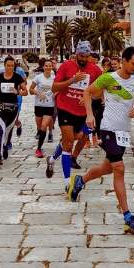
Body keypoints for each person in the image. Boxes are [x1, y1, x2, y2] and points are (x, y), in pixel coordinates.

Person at [66, 46, 134, 235]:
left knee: (108, 168)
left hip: (124, 132)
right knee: (119, 168)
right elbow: (87, 92)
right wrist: (88, 115)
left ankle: (79, 181)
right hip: (108, 128)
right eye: (133, 63)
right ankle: (128, 217)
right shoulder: (108, 78)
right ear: (124, 61)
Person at [45, 41, 102, 184]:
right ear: (76, 54)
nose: (83, 60)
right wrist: (72, 80)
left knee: (77, 136)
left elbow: (102, 90)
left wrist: (91, 97)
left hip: (81, 112)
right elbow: (54, 87)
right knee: (69, 145)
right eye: (81, 57)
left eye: (86, 57)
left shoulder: (95, 70)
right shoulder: (66, 66)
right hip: (64, 108)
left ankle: (52, 159)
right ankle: (67, 183)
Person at [0, 56, 27, 165]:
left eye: (12, 66)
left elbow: (26, 91)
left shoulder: (17, 77)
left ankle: (5, 145)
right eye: (8, 65)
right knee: (1, 130)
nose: (10, 68)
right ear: (4, 66)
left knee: (8, 131)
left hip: (13, 109)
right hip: (0, 108)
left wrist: (17, 92)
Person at [29, 59, 56, 157]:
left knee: (45, 126)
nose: (48, 67)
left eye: (50, 66)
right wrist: (38, 93)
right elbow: (30, 90)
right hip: (39, 104)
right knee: (40, 127)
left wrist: (55, 94)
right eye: (46, 66)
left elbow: (59, 89)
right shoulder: (38, 78)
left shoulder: (55, 78)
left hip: (49, 105)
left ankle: (39, 149)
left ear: (52, 67)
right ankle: (41, 138)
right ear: (43, 67)